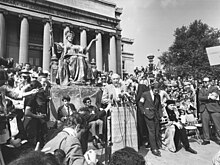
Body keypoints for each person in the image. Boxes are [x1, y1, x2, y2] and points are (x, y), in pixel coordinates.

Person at [138, 83, 163, 157]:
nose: (157, 92)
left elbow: (159, 106)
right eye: (155, 90)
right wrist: (144, 112)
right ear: (152, 89)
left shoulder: (158, 96)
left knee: (156, 131)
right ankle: (154, 149)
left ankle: (154, 144)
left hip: (156, 116)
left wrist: (160, 115)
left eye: (158, 90)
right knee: (152, 131)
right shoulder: (145, 94)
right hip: (148, 115)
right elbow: (140, 104)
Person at [198, 77, 220, 145]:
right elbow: (200, 97)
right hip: (204, 109)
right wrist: (208, 97)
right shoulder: (201, 89)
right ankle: (206, 139)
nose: (204, 83)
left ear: (210, 82)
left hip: (214, 108)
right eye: (203, 82)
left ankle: (219, 138)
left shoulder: (214, 88)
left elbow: (215, 96)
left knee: (217, 124)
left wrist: (206, 97)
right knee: (205, 125)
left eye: (206, 82)